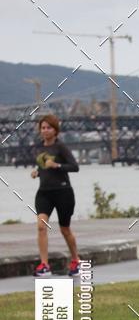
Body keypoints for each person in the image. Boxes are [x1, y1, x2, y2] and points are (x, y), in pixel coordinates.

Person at [31, 113, 81, 277]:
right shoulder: (39, 147)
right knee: (41, 226)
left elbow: (75, 167)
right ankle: (44, 265)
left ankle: (76, 260)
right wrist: (36, 172)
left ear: (55, 130)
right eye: (43, 128)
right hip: (44, 193)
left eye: (48, 128)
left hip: (63, 192)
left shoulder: (61, 147)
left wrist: (57, 165)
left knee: (65, 229)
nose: (45, 131)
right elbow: (43, 167)